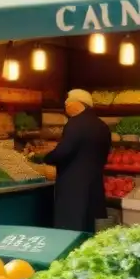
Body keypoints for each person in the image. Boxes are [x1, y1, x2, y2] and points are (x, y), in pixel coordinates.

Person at [44, 89, 112, 233]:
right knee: (90, 228)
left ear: (78, 104)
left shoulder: (75, 124)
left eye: (68, 104)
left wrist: (47, 158)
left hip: (73, 187)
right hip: (94, 184)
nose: (66, 107)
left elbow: (64, 150)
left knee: (71, 228)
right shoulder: (102, 126)